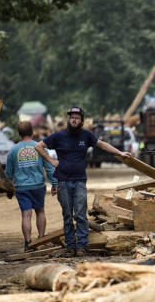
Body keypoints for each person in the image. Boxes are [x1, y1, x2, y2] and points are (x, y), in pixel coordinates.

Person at [36, 106, 128, 257]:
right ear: (68, 119)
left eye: (77, 118)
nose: (74, 119)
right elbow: (38, 146)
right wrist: (51, 160)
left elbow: (102, 144)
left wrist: (120, 152)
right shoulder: (58, 136)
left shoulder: (86, 135)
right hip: (63, 181)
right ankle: (71, 246)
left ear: (81, 121)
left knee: (80, 214)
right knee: (67, 214)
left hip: (79, 181)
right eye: (72, 117)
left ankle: (82, 246)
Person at [5, 121, 57, 251]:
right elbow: (49, 167)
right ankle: (41, 239)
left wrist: (8, 188)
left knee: (26, 215)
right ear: (32, 131)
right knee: (40, 211)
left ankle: (28, 242)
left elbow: (8, 173)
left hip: (21, 187)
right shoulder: (39, 147)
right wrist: (54, 183)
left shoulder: (13, 150)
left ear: (19, 133)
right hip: (38, 185)